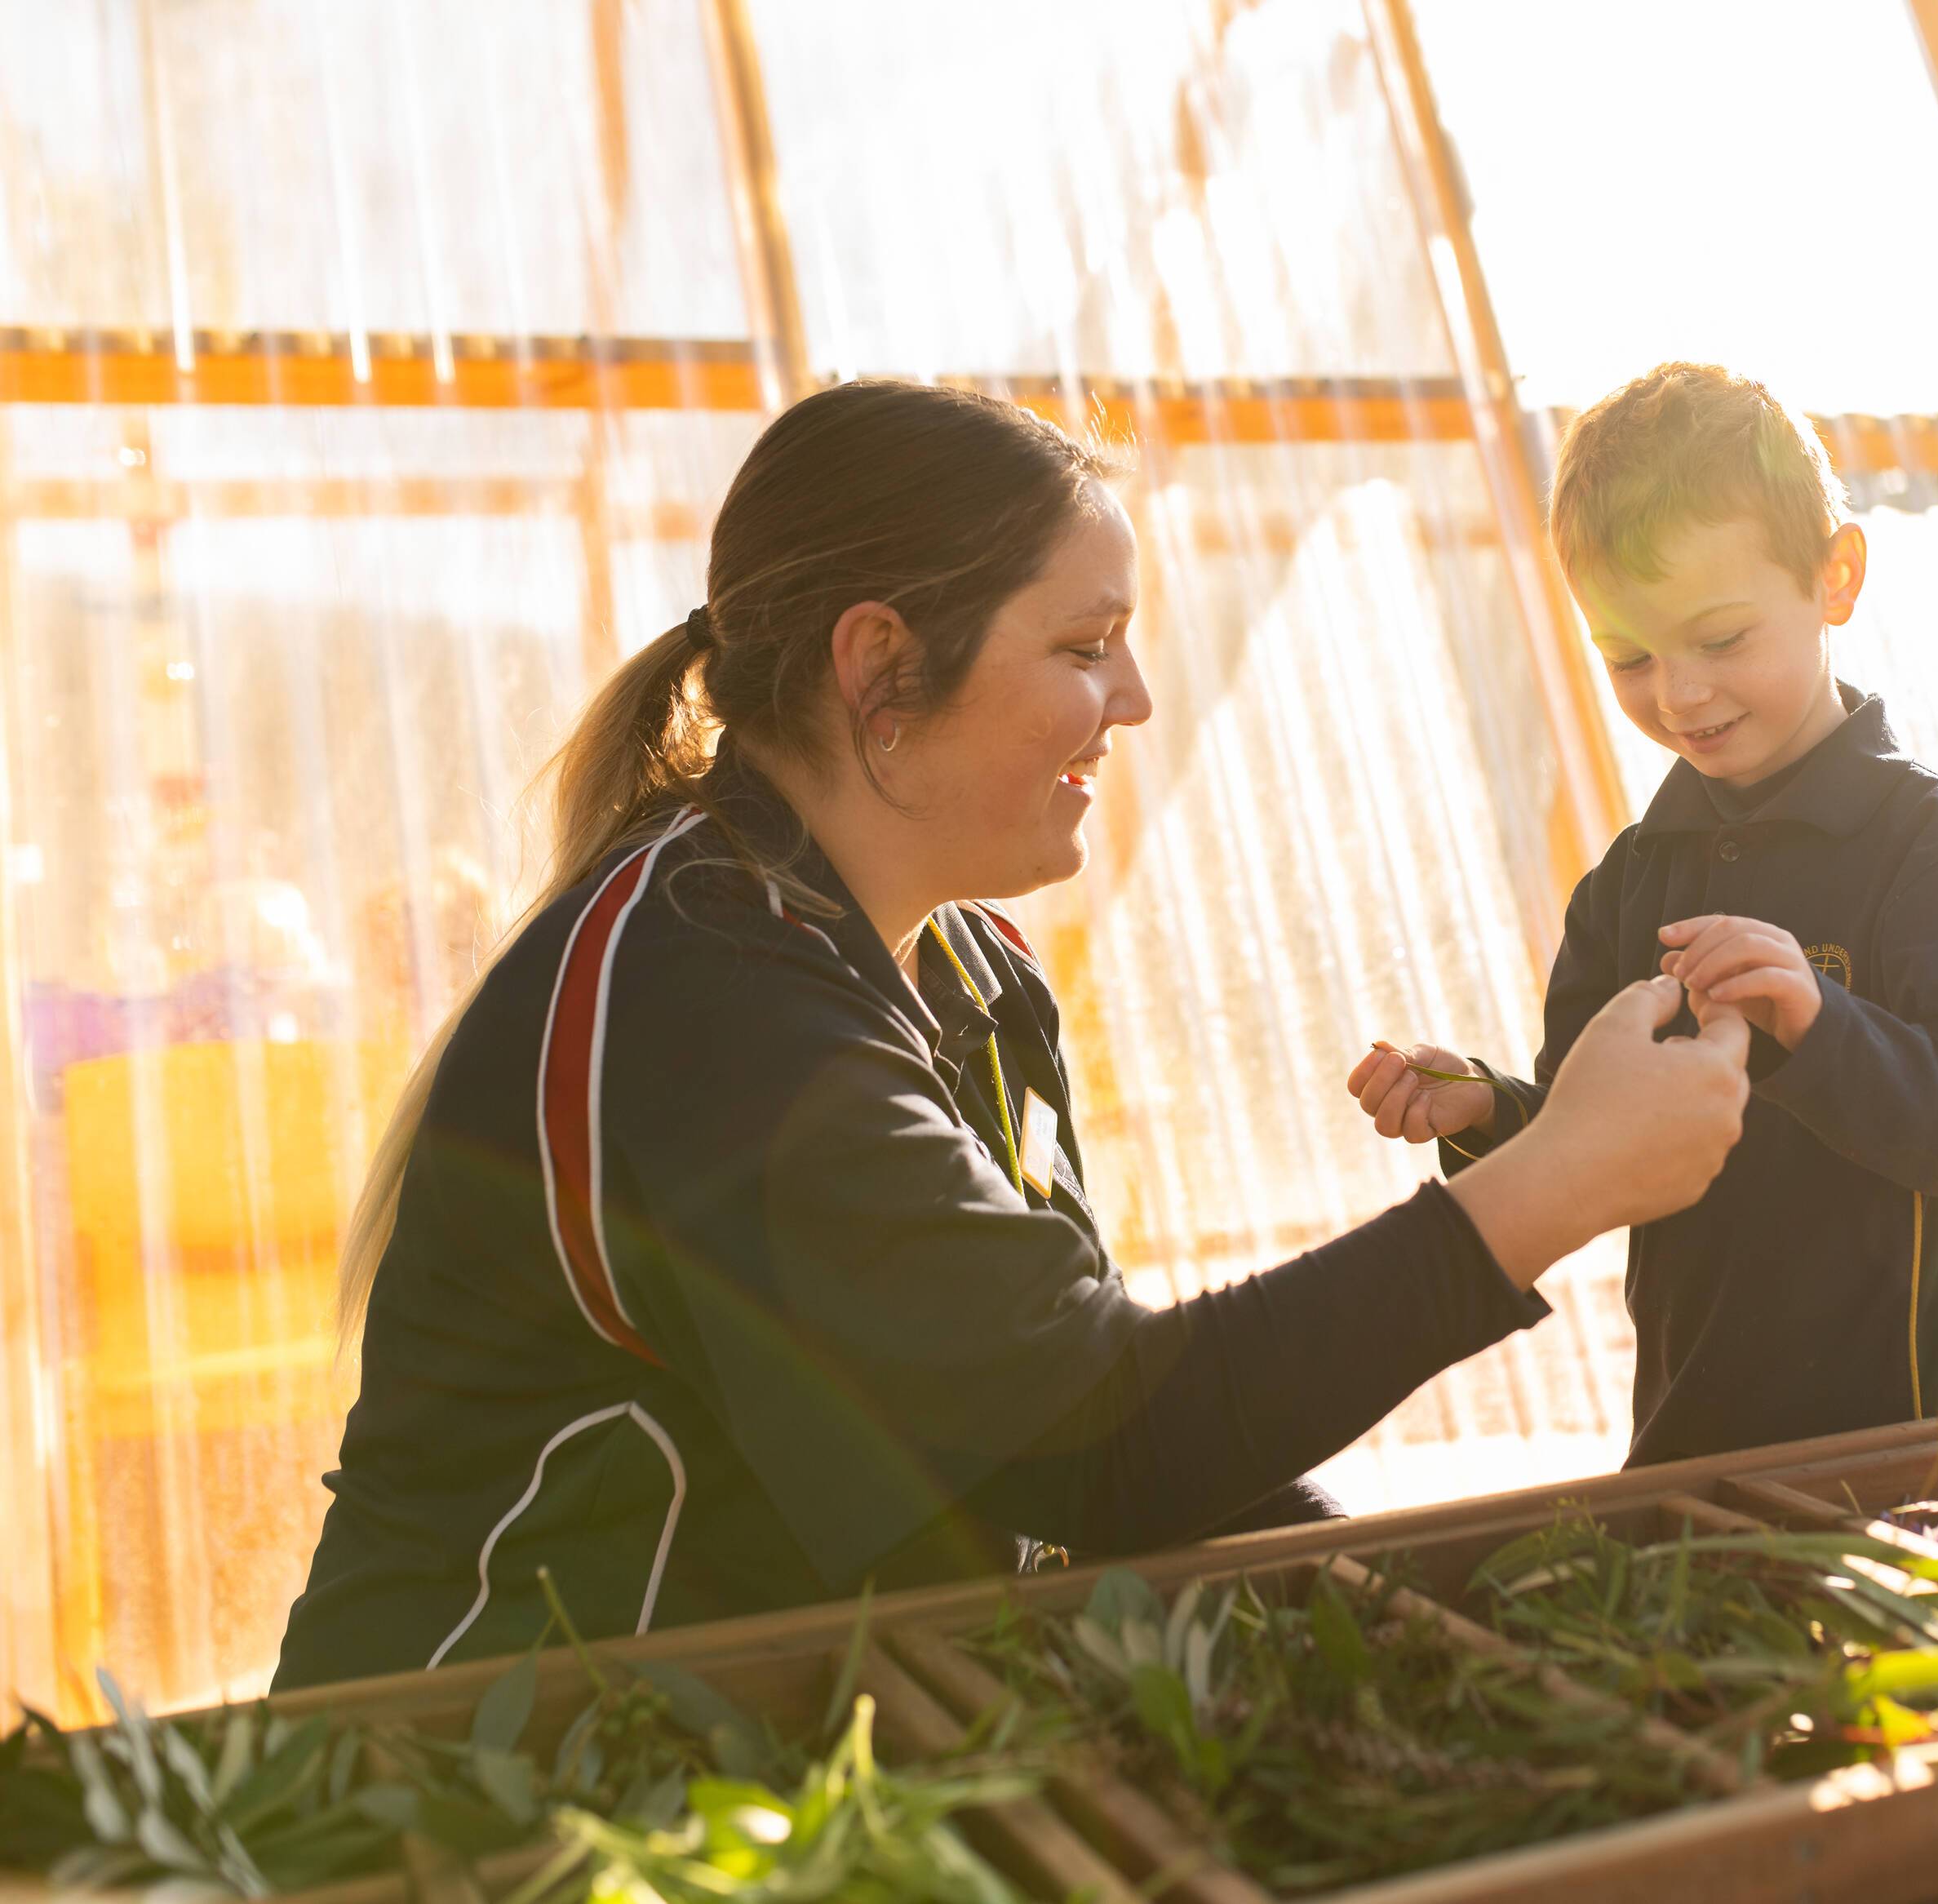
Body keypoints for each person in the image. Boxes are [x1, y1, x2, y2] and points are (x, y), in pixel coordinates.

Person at [273, 379, 1750, 1688]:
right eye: (1085, 643)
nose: (1138, 697)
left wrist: (1377, 1610)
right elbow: (1088, 1438)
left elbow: (1062, 1424)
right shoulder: (705, 996)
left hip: (766, 1770)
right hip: (473, 1810)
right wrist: (1558, 1178)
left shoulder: (972, 972)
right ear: (881, 670)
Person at [1349, 362, 1938, 1468]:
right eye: (1629, 656)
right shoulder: (1633, 884)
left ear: (1836, 577)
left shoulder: (1931, 852)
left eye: (1721, 638)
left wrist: (1823, 1024)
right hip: (1695, 1435)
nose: (1679, 694)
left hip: (1916, 1447)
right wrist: (1487, 1108)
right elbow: (1591, 1139)